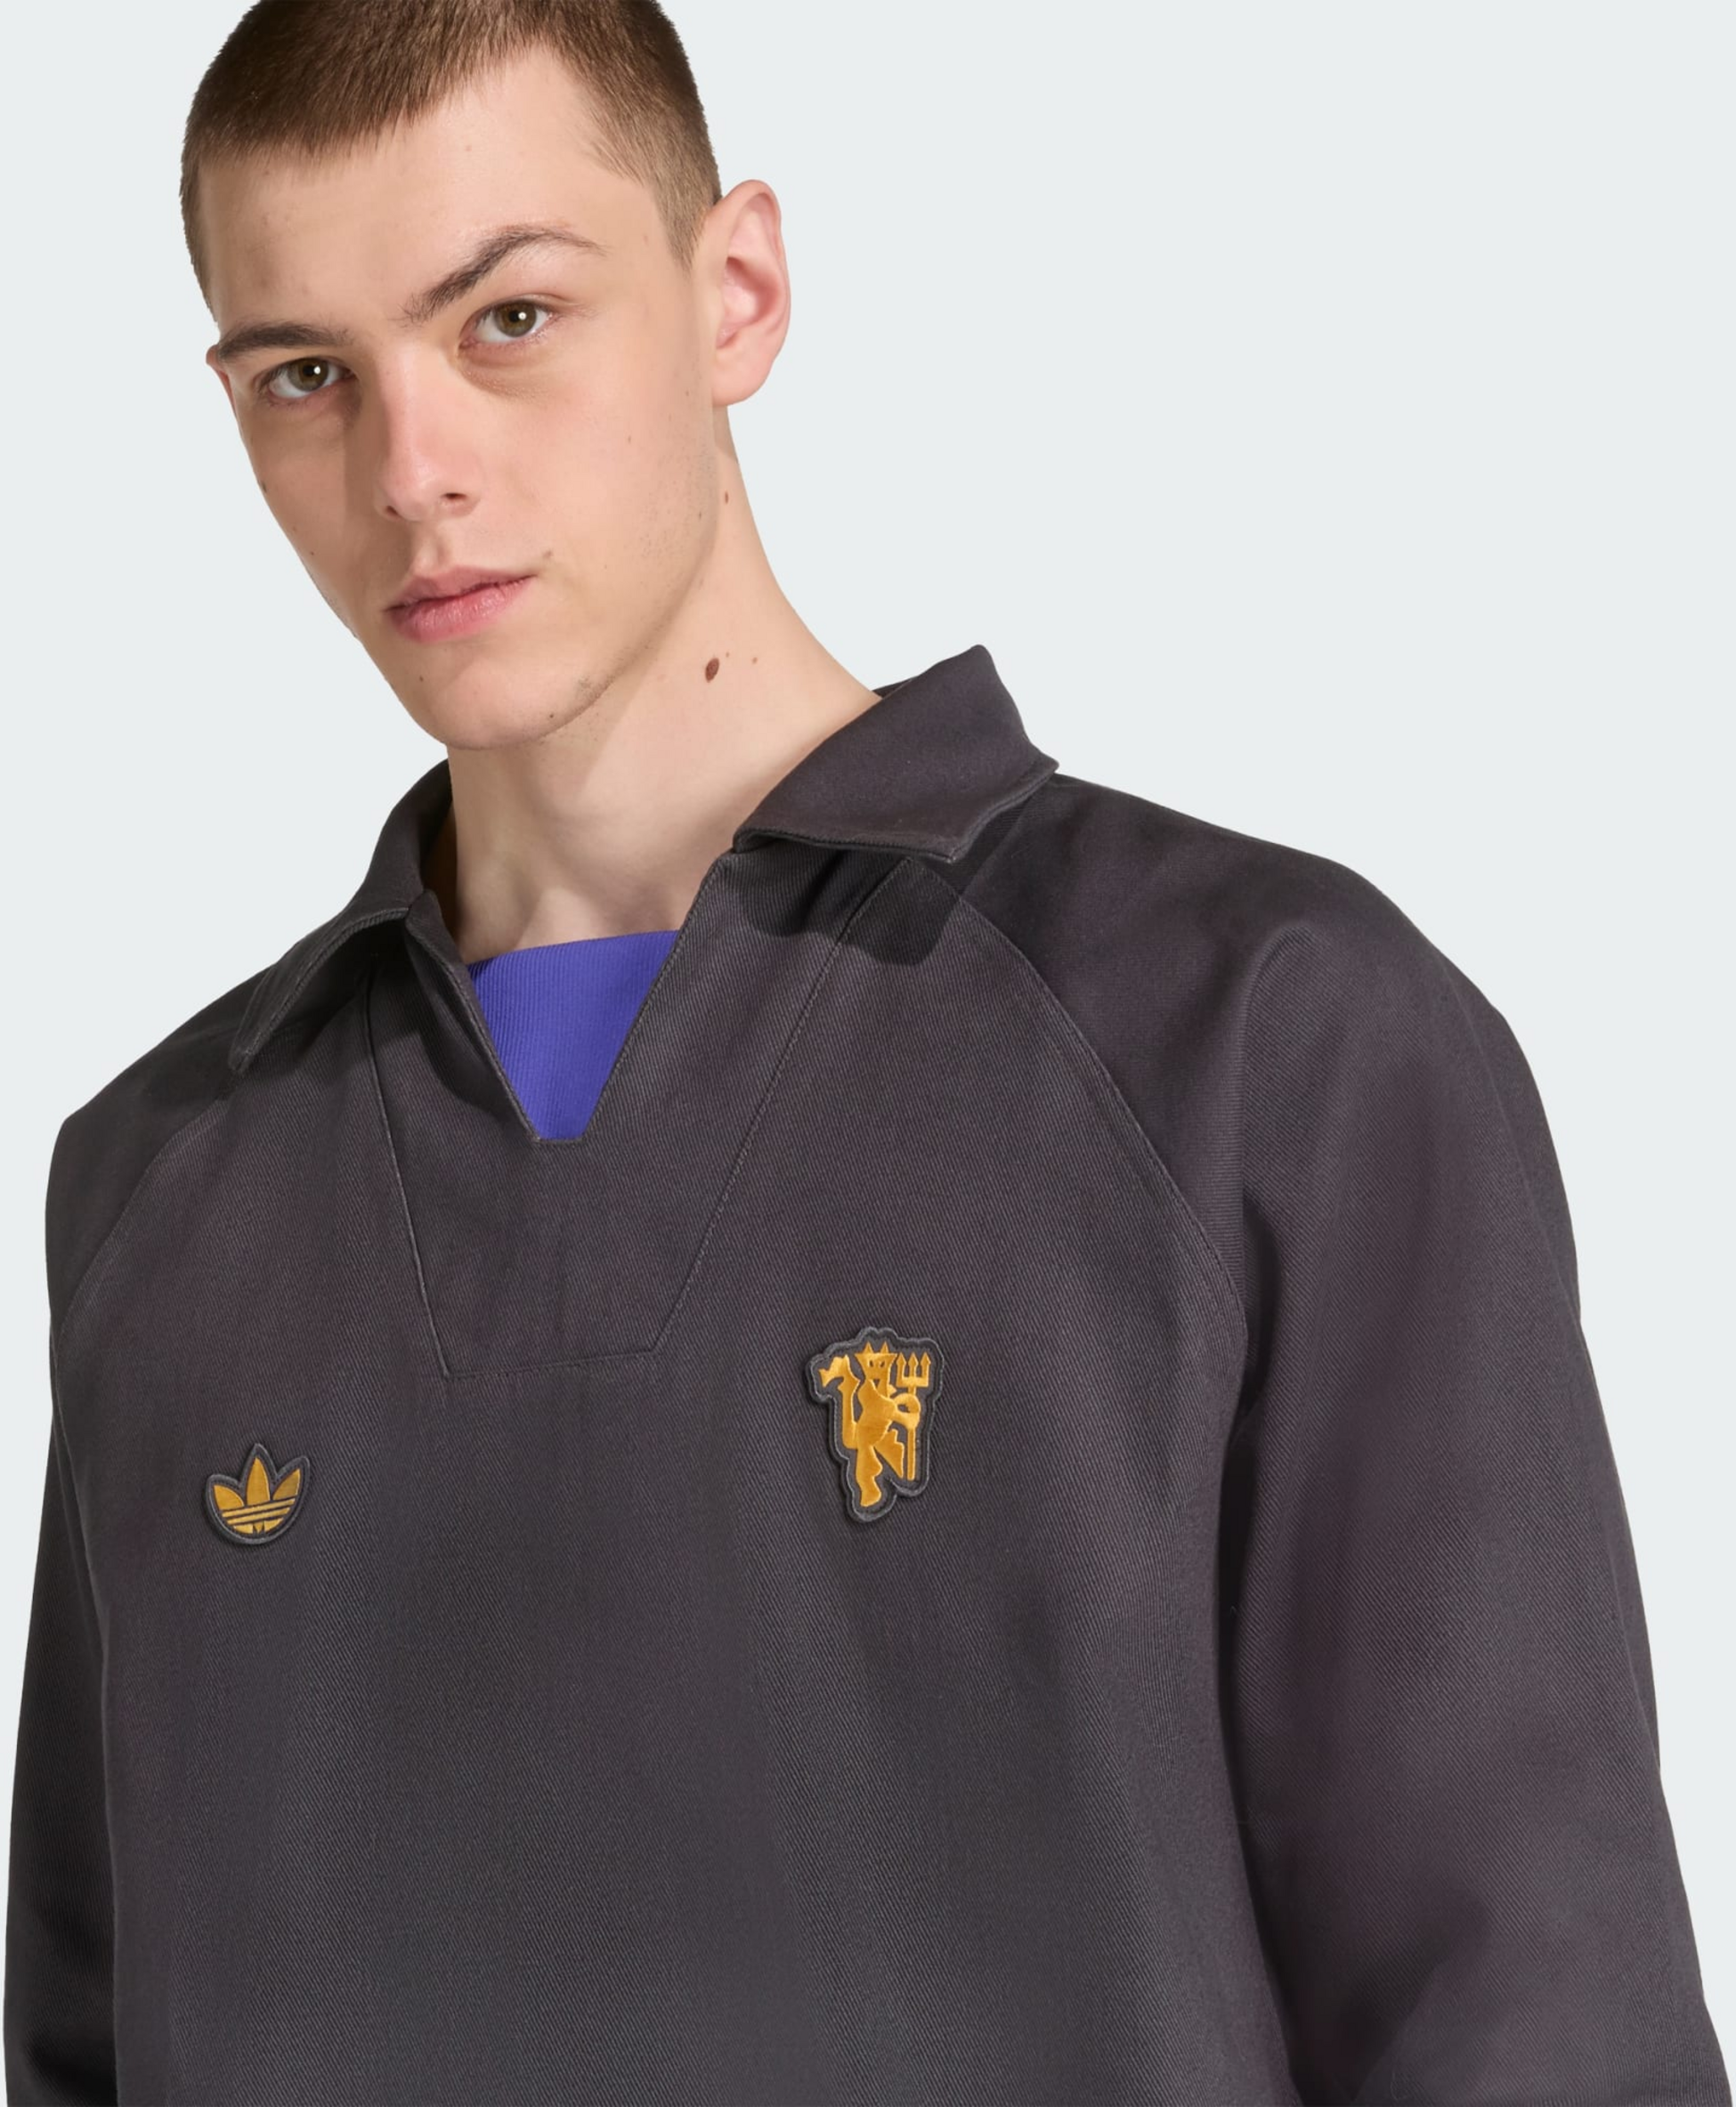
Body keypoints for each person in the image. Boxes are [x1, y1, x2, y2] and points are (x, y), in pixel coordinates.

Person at [4, 3, 1727, 2102]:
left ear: (736, 290)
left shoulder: (1261, 1042)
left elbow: (1538, 2031)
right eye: (307, 375)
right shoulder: (165, 1180)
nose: (410, 469)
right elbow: (90, 2034)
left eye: (510, 319)